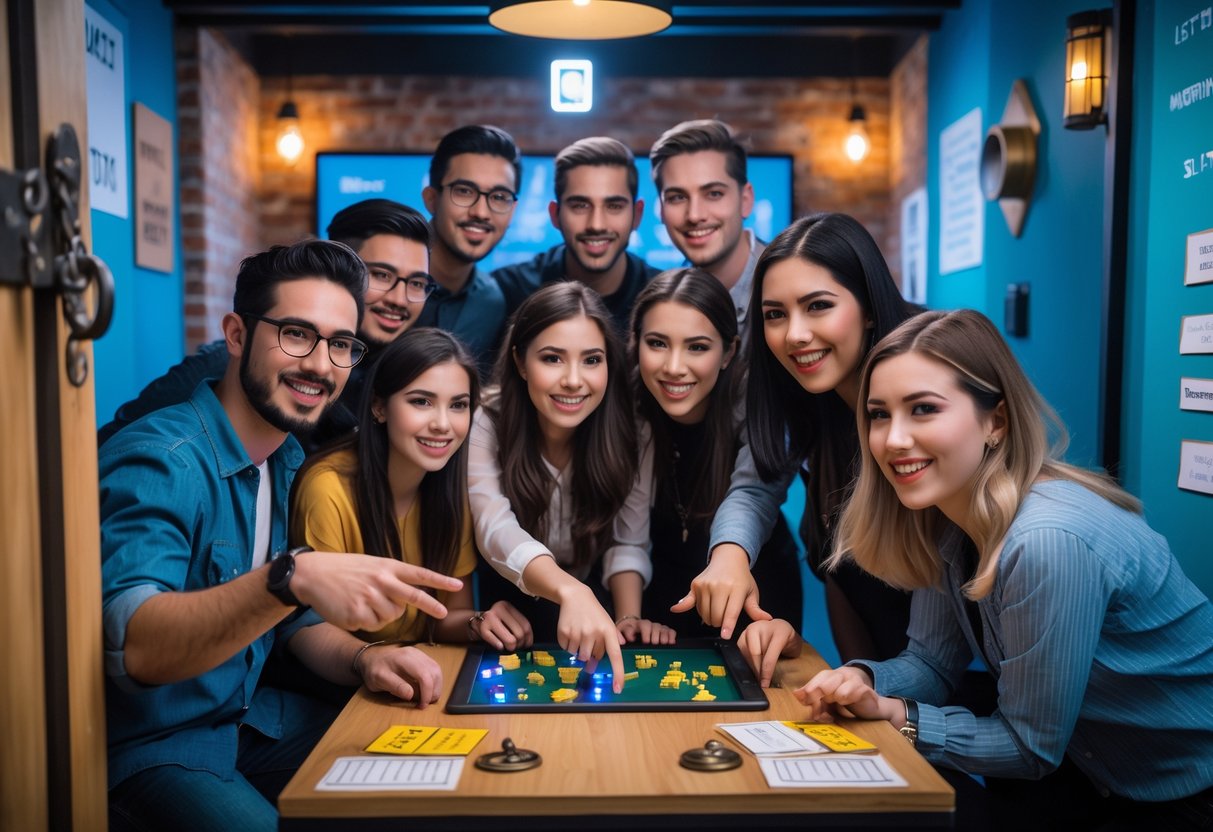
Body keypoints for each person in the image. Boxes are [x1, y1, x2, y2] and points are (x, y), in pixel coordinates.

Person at [783, 309, 1213, 829]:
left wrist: (900, 718)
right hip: (1087, 769)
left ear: (996, 421)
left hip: (1181, 795)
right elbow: (931, 664)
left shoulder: (1045, 542)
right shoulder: (949, 514)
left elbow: (1030, 748)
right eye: (879, 414)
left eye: (923, 409)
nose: (893, 440)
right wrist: (858, 679)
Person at [101, 240, 463, 832]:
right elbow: (135, 644)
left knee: (429, 751)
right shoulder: (162, 459)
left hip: (244, 721)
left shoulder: (286, 457)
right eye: (297, 334)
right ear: (237, 335)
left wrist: (367, 658)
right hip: (153, 746)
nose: (321, 365)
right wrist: (290, 578)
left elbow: (291, 622)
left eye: (341, 346)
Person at [676, 213, 917, 657]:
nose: (796, 334)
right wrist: (729, 555)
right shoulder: (797, 389)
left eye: (818, 305)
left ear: (867, 305)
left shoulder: (928, 369)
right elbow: (756, 487)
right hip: (882, 656)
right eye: (774, 314)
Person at [97, 198, 436, 450]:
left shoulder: (395, 373)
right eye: (380, 275)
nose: (400, 298)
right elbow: (115, 448)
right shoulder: (232, 360)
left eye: (417, 283)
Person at [291, 327, 532, 652]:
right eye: (422, 401)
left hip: (415, 674)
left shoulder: (450, 488)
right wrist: (371, 660)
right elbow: (310, 633)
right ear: (379, 407)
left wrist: (479, 621)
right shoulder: (327, 489)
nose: (443, 424)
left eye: (458, 405)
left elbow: (442, 618)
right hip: (342, 688)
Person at [469, 282, 656, 689]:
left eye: (592, 360)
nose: (574, 380)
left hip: (595, 613)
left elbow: (628, 541)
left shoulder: (635, 432)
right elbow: (493, 527)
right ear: (520, 362)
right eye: (552, 358)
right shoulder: (485, 420)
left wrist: (627, 619)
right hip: (506, 620)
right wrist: (572, 592)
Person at [629, 268, 802, 638]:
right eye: (657, 343)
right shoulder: (624, 407)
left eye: (697, 347)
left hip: (753, 586)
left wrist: (729, 556)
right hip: (657, 589)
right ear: (636, 342)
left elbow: (753, 491)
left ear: (729, 353)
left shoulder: (759, 402)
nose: (674, 367)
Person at [494, 136, 658, 334]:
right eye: (580, 206)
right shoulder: (508, 291)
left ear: (637, 215)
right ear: (555, 215)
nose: (596, 225)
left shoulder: (661, 297)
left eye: (614, 206)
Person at [416, 124, 519, 377]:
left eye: (499, 197)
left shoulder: (492, 303)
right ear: (431, 198)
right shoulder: (380, 285)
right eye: (464, 191)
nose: (481, 212)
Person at [649, 119, 763, 341]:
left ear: (746, 200)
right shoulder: (659, 301)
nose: (694, 215)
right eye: (677, 197)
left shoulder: (788, 287)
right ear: (661, 210)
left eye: (713, 194)